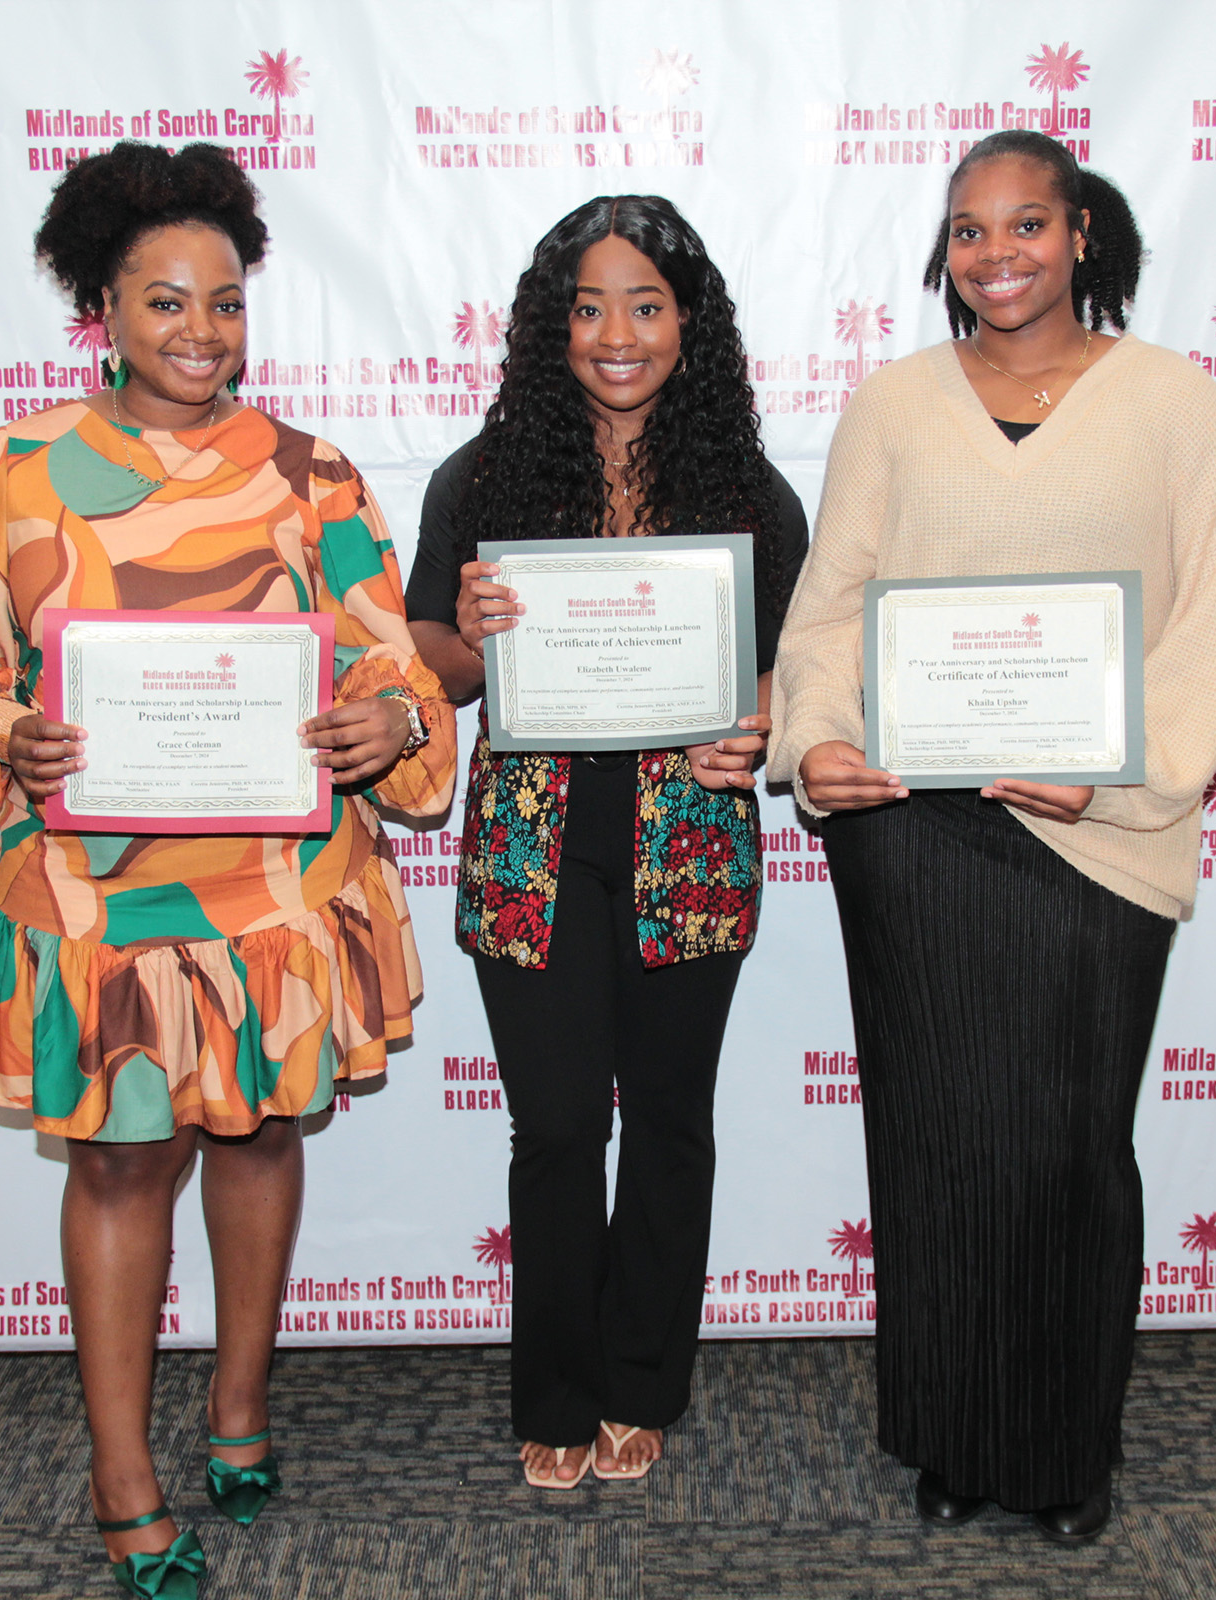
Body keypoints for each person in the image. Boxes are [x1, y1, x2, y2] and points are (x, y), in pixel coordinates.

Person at [0, 142, 453, 1599]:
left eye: (224, 301)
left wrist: (389, 724)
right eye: (164, 301)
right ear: (100, 307)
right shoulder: (8, 477)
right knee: (121, 1160)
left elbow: (390, 660)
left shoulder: (310, 473)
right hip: (105, 904)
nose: (201, 331)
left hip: (278, 896)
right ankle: (122, 1475)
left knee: (262, 1136)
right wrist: (8, 736)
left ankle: (240, 1406)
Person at [768, 130, 1216, 1543]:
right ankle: (954, 1436)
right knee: (934, 1144)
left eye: (1026, 223)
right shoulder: (894, 404)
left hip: (1098, 842)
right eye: (970, 230)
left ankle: (1063, 1449)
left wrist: (1115, 778)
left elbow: (1212, 619)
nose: (997, 254)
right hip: (912, 834)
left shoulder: (1177, 405)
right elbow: (831, 604)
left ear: (1080, 233)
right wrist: (818, 740)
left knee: (1066, 1154)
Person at [406, 195, 808, 1488]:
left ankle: (643, 1379)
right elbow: (434, 663)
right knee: (560, 1126)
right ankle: (556, 1390)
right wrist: (471, 635)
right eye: (588, 308)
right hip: (533, 844)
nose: (617, 334)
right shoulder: (481, 479)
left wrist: (758, 720)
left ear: (690, 322)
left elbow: (792, 670)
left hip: (689, 835)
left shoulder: (747, 490)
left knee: (672, 1121)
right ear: (551, 326)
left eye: (646, 305)